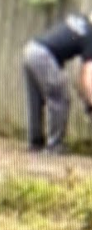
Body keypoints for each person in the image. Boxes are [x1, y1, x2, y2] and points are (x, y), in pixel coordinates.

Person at [23, 12, 92, 153]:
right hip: (44, 56)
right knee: (60, 98)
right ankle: (54, 146)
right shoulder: (90, 36)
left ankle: (35, 143)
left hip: (31, 49)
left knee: (35, 100)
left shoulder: (78, 20)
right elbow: (88, 73)